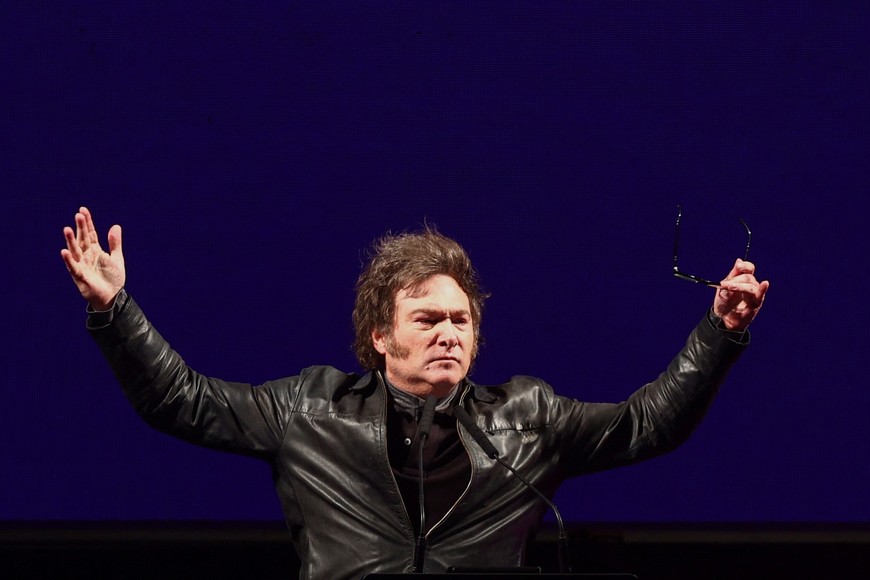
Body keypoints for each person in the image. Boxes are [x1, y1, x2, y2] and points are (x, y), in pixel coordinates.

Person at [61, 206, 768, 580]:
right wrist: (114, 310)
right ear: (379, 336)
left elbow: (647, 425)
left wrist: (717, 335)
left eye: (461, 321)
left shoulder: (526, 419)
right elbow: (181, 400)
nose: (448, 335)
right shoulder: (310, 411)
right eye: (427, 320)